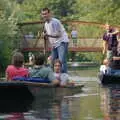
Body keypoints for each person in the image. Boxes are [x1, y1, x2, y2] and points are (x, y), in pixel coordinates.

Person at [41, 7, 69, 73]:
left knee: (61, 60)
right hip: (54, 44)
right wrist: (49, 46)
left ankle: (64, 77)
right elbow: (48, 37)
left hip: (62, 41)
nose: (44, 15)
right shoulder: (45, 24)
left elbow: (59, 35)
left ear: (49, 14)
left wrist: (48, 35)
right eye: (43, 14)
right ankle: (53, 78)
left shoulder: (55, 22)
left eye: (46, 14)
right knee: (52, 62)